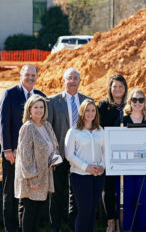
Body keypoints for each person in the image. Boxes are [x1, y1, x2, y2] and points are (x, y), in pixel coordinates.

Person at [0, 64, 45, 232]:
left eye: (33, 75)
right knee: (10, 192)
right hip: (14, 154)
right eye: (27, 75)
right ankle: (10, 228)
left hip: (34, 157)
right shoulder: (10, 93)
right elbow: (3, 123)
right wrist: (7, 149)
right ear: (21, 75)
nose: (30, 78)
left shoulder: (40, 96)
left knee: (29, 193)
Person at [47, 68, 91, 232]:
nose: (72, 81)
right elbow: (49, 129)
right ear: (63, 81)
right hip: (59, 155)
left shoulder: (88, 101)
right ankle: (55, 227)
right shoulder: (51, 101)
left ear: (80, 81)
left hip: (81, 156)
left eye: (75, 78)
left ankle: (75, 226)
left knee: (76, 193)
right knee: (57, 192)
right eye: (69, 78)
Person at [14, 95, 59, 232]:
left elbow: (55, 145)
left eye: (41, 107)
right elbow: (25, 156)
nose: (39, 110)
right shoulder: (27, 128)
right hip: (31, 178)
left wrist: (55, 158)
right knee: (30, 212)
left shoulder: (47, 125)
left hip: (44, 176)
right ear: (29, 109)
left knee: (38, 213)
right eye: (36, 107)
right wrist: (32, 178)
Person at [115, 89, 146, 232]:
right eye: (134, 100)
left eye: (141, 100)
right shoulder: (122, 119)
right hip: (126, 168)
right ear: (130, 102)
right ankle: (128, 229)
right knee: (128, 200)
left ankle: (142, 229)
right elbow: (115, 141)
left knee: (143, 199)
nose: (137, 103)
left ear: (144, 102)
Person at [65, 99, 105, 232]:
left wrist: (102, 166)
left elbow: (106, 151)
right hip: (80, 176)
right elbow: (69, 155)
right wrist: (86, 167)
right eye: (87, 110)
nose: (90, 113)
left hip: (98, 175)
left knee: (93, 210)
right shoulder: (74, 131)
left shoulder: (100, 130)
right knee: (84, 210)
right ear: (82, 112)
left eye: (93, 110)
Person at [97, 74, 128, 232]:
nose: (117, 89)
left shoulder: (129, 105)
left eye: (120, 86)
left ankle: (122, 221)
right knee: (108, 188)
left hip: (127, 154)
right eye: (115, 86)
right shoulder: (103, 105)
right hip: (108, 153)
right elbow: (98, 128)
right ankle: (111, 221)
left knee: (123, 188)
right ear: (110, 88)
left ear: (125, 89)